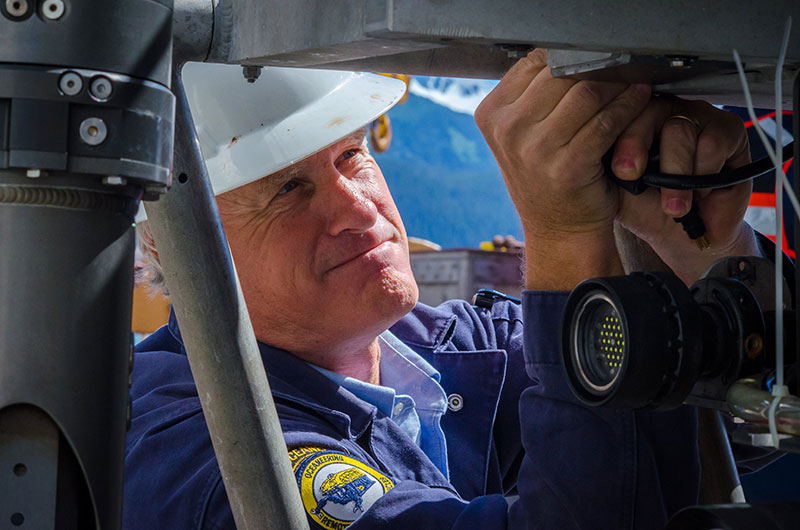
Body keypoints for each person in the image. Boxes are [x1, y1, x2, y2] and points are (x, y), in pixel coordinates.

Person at [125, 51, 757, 530]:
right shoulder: (203, 454)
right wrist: (565, 238)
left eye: (352, 156)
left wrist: (693, 246)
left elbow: (743, 424)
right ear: (170, 247)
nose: (360, 211)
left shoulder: (455, 350)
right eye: (288, 189)